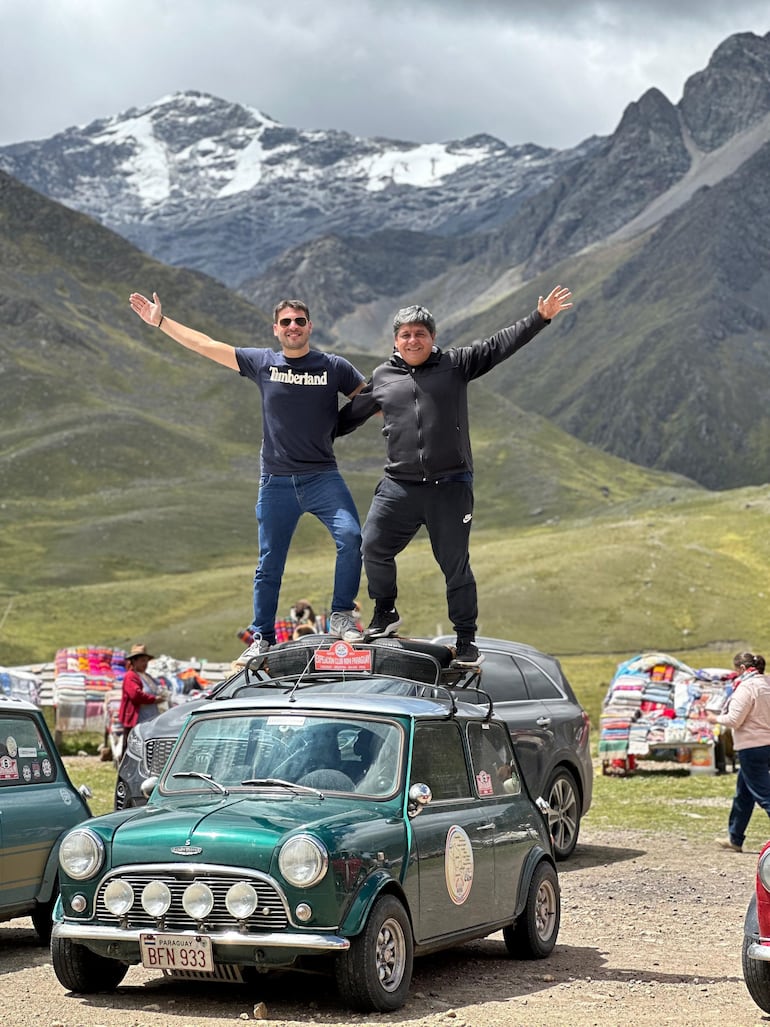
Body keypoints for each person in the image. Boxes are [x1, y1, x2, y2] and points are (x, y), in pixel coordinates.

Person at [337, 285, 573, 666]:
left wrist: (539, 318)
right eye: (406, 334)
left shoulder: (457, 364)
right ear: (395, 341)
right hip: (399, 486)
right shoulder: (382, 377)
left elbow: (499, 345)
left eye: (420, 333)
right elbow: (346, 420)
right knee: (373, 548)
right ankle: (385, 612)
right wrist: (302, 437)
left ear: (433, 338)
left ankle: (465, 639)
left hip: (450, 486)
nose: (413, 339)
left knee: (455, 564)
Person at [128, 291, 367, 652]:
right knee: (269, 563)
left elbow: (376, 400)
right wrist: (161, 322)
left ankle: (341, 615)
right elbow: (205, 345)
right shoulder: (263, 363)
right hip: (276, 483)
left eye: (299, 321)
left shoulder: (334, 367)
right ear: (276, 329)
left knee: (350, 537)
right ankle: (262, 637)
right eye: (285, 322)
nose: (292, 327)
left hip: (323, 477)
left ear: (309, 327)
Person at [706, 651, 770, 852]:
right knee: (743, 794)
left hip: (752, 747)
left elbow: (734, 719)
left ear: (742, 668)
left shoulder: (746, 687)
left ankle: (735, 837)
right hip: (767, 745)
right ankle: (735, 837)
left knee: (765, 795)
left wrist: (714, 719)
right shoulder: (767, 684)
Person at [118, 643, 164, 745]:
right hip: (137, 721)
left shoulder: (147, 677)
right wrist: (154, 699)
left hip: (149, 720)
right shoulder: (131, 676)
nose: (145, 663)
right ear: (134, 661)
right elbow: (136, 695)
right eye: (142, 660)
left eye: (146, 661)